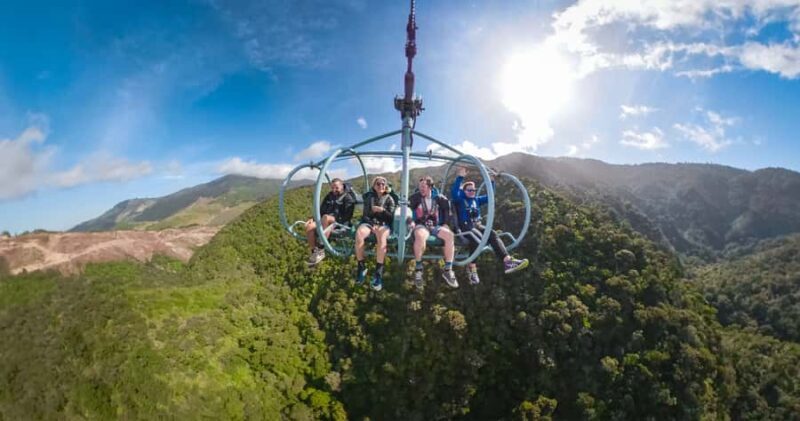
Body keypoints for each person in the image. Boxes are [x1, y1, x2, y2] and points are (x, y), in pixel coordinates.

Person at [451, 166, 528, 285]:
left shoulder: (476, 200)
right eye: (469, 190)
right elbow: (454, 193)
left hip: (476, 225)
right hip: (466, 227)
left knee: (492, 233)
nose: (472, 192)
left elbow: (490, 197)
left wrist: (491, 181)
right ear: (463, 191)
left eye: (473, 190)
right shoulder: (460, 199)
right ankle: (472, 268)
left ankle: (507, 262)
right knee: (478, 240)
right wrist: (460, 177)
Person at [408, 175, 458, 289]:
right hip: (421, 225)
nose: (421, 189)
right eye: (420, 186)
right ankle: (419, 269)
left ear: (430, 187)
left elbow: (446, 210)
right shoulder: (415, 197)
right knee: (420, 236)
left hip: (435, 225)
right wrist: (411, 221)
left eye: (424, 186)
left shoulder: (439, 198)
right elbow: (408, 209)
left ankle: (448, 269)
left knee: (449, 236)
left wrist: (445, 223)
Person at [354, 176, 395, 291]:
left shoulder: (389, 199)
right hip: (370, 224)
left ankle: (378, 273)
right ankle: (361, 267)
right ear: (374, 186)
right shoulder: (369, 198)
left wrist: (382, 211)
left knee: (381, 237)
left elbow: (391, 217)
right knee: (359, 233)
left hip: (384, 224)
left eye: (383, 184)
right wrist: (371, 224)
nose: (381, 186)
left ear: (386, 186)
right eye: (378, 184)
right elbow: (365, 215)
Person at [304, 178, 355, 267]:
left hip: (339, 222)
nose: (334, 190)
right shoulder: (330, 196)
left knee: (326, 217)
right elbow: (321, 210)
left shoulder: (348, 198)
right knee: (310, 226)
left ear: (342, 186)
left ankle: (321, 248)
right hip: (325, 220)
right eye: (332, 187)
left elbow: (347, 216)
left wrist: (339, 223)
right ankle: (314, 252)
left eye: (336, 187)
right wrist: (313, 218)